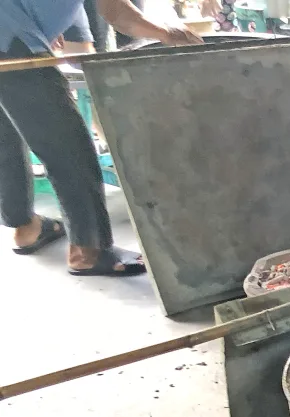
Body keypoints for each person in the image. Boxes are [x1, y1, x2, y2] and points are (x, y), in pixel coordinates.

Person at [0, 0, 201, 275]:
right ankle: (88, 251)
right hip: (8, 35)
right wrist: (167, 33)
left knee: (6, 135)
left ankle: (26, 228)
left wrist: (39, 34)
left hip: (11, 32)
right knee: (67, 147)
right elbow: (118, 14)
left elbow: (77, 53)